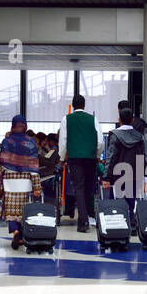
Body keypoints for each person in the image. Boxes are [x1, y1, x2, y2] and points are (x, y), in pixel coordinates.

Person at [0, 114, 41, 249]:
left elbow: (1, 162)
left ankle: (15, 231)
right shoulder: (30, 142)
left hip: (9, 181)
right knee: (23, 210)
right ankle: (20, 235)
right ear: (25, 126)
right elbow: (34, 166)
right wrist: (37, 186)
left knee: (11, 210)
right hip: (25, 182)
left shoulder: (6, 141)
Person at [58, 93, 100, 233]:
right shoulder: (93, 119)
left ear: (73, 105)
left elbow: (63, 141)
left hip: (75, 158)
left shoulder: (66, 119)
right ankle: (87, 216)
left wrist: (62, 157)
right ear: (84, 105)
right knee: (88, 188)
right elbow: (100, 141)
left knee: (79, 188)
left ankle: (84, 222)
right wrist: (97, 155)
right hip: (91, 158)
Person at [104, 106, 147, 221]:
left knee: (117, 200)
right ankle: (132, 223)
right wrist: (145, 178)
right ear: (132, 120)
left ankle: (119, 224)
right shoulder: (140, 137)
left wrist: (106, 176)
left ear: (119, 119)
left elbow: (111, 157)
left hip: (118, 174)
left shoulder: (114, 135)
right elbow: (143, 157)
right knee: (131, 200)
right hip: (135, 174)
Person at [38, 132, 60, 205]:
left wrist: (38, 156)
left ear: (51, 141)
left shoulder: (54, 150)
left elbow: (47, 160)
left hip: (50, 171)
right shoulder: (56, 149)